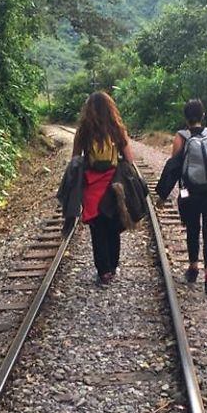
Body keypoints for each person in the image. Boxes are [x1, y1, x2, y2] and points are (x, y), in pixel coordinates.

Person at [72, 91, 134, 286]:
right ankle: (113, 267)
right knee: (113, 227)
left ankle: (103, 271)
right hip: (113, 186)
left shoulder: (84, 130)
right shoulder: (117, 129)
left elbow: (75, 159)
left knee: (97, 230)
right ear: (110, 108)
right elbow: (130, 160)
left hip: (92, 188)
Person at [170, 99, 207, 297]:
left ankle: (193, 268)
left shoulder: (180, 137)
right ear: (203, 115)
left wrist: (168, 194)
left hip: (190, 194)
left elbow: (176, 168)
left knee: (192, 229)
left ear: (185, 118)